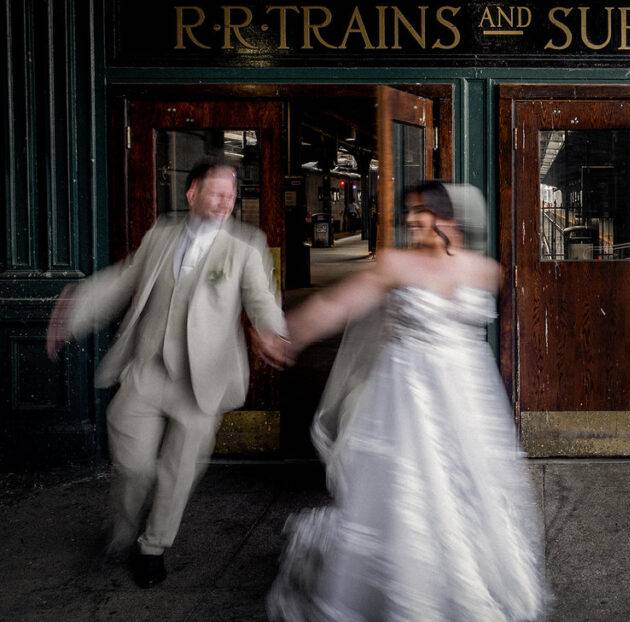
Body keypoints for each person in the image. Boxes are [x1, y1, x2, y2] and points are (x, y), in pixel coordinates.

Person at [266, 181, 548, 621]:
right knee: (410, 491)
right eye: (411, 212)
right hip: (407, 398)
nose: (414, 220)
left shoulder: (484, 270)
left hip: (466, 396)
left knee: (471, 489)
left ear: (451, 217)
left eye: (424, 211)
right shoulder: (395, 264)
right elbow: (340, 303)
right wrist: (293, 332)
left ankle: (468, 582)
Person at [46, 157, 288, 588]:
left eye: (231, 194)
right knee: (134, 465)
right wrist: (74, 310)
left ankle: (153, 545)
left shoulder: (246, 246)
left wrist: (272, 333)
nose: (225, 201)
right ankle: (122, 528)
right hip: (147, 371)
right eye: (216, 192)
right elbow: (123, 281)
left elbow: (262, 300)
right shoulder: (161, 234)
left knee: (179, 470)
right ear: (192, 193)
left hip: (203, 380)